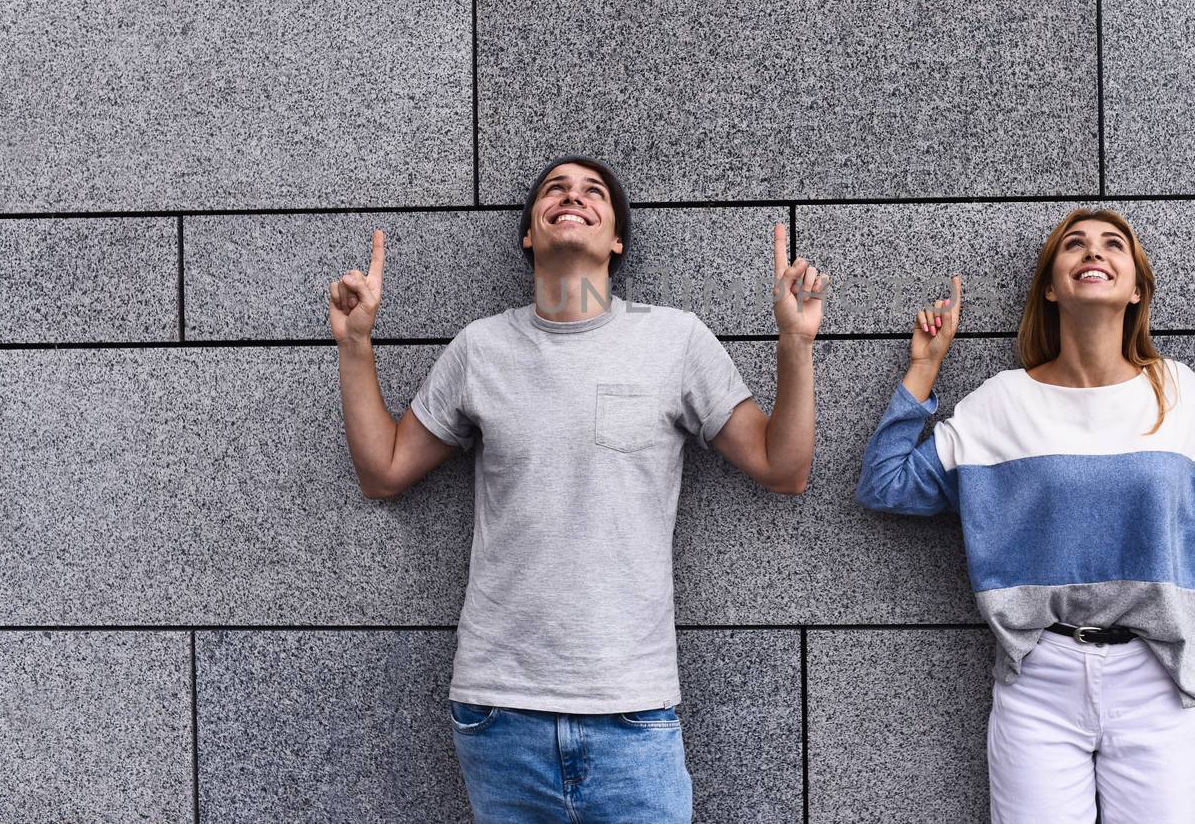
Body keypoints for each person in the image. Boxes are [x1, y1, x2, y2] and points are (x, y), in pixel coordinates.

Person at [328, 154, 826, 823]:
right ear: (530, 234)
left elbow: (783, 467)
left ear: (616, 237)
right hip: (500, 713)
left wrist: (794, 345)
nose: (573, 196)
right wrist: (355, 346)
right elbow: (383, 471)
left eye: (594, 192)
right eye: (554, 190)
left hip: (633, 713)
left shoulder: (673, 341)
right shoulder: (481, 349)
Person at [856, 207, 1195, 824]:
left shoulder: (1178, 394)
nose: (1093, 253)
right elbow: (884, 485)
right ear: (1051, 286)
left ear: (1135, 288)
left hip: (1156, 681)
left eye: (1112, 246)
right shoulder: (1002, 404)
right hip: (1038, 679)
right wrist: (923, 369)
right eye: (1074, 245)